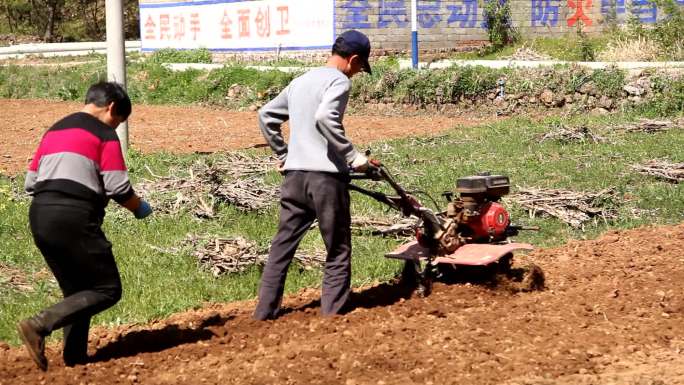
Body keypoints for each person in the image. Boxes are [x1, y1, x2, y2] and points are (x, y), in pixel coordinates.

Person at [17, 81, 153, 371]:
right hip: (74, 216)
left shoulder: (54, 130)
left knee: (78, 292)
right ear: (112, 108)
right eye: (118, 122)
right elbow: (117, 186)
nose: (115, 127)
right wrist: (139, 208)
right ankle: (38, 325)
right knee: (107, 289)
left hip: (40, 215)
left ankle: (74, 359)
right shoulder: (104, 133)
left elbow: (30, 183)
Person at [253, 30, 372, 320]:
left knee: (282, 247)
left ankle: (263, 314)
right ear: (353, 60)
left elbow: (266, 116)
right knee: (338, 249)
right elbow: (324, 117)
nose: (356, 74)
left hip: (294, 179)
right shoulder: (339, 81)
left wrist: (284, 155)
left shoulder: (301, 81)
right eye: (359, 68)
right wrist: (353, 157)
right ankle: (332, 316)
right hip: (326, 181)